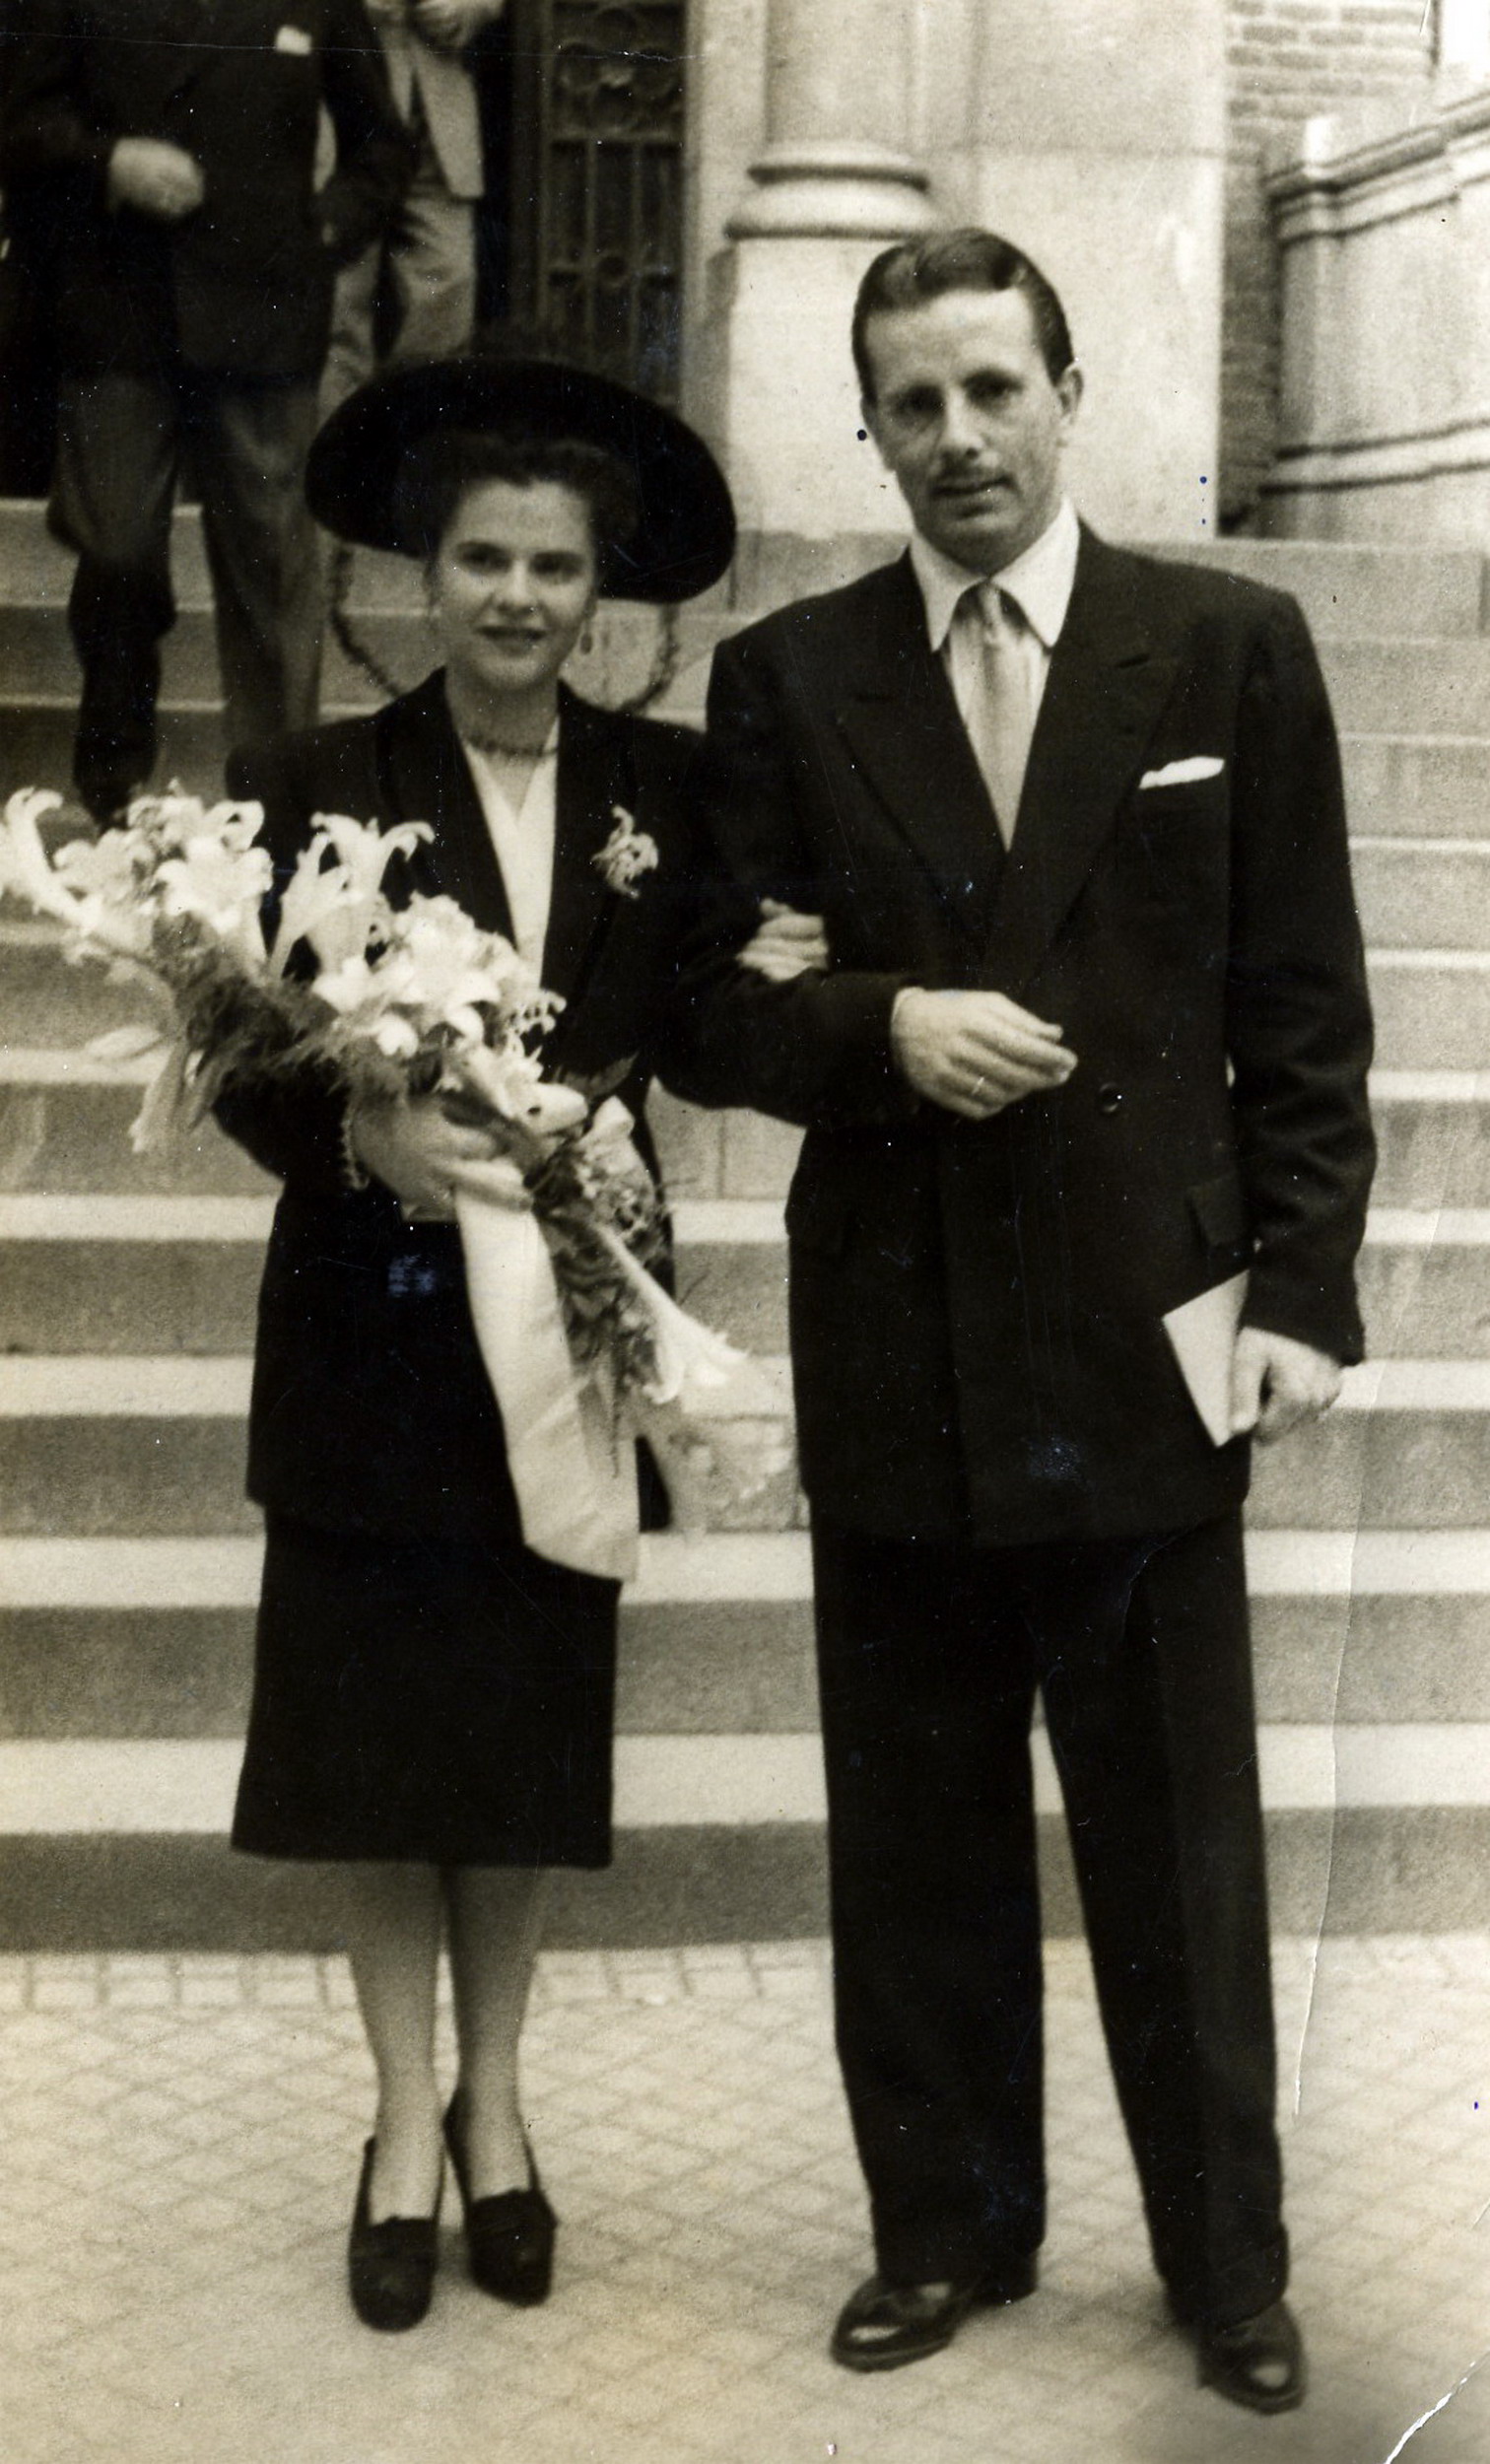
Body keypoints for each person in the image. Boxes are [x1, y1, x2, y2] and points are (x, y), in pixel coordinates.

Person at [680, 230, 1375, 2414]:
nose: (959, 438)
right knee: (918, 1829)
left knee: (1180, 1838)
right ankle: (949, 2227)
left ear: (1072, 390)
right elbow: (713, 1001)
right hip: (897, 1334)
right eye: (914, 402)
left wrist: (1304, 1282)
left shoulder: (1228, 648)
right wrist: (884, 1025)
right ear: (868, 427)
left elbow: (1304, 1009)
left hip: (1151, 1342)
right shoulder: (791, 678)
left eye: (994, 388)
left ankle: (1228, 2266)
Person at [212, 352, 804, 2334]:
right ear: (420, 570)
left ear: (604, 590)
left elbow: (704, 1015)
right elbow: (239, 1050)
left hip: (562, 1335)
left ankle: (501, 2110)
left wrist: (779, 985)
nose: (520, 598)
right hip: (377, 1329)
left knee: (527, 1744)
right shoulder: (316, 784)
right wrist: (346, 1119)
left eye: (557, 564)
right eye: (482, 556)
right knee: (382, 1752)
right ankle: (398, 2119)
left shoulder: (669, 794)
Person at [0, 1, 413, 824]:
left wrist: (320, 234)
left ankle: (279, 802)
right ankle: (116, 770)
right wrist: (110, 161)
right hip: (118, 310)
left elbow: (382, 148)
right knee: (116, 548)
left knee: (272, 570)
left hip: (265, 315)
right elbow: (17, 124)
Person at [320, 0, 504, 417]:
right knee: (339, 303)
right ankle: (336, 457)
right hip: (342, 113)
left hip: (434, 117)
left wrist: (466, 10)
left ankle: (421, 450)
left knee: (448, 285)